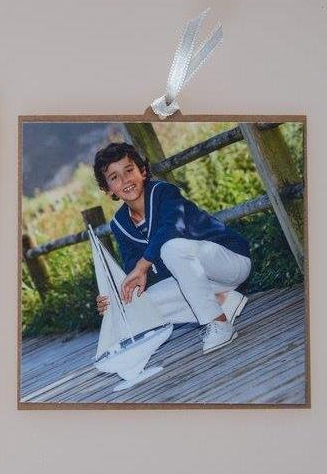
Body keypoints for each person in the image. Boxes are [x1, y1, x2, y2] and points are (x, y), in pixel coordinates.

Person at [93, 142, 251, 353]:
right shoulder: (119, 224)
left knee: (171, 248)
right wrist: (114, 299)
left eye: (129, 170)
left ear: (143, 171)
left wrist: (143, 265)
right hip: (200, 282)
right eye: (114, 177)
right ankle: (224, 301)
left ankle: (219, 324)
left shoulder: (163, 192)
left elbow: (172, 228)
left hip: (229, 262)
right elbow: (134, 271)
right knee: (133, 306)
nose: (125, 180)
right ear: (107, 188)